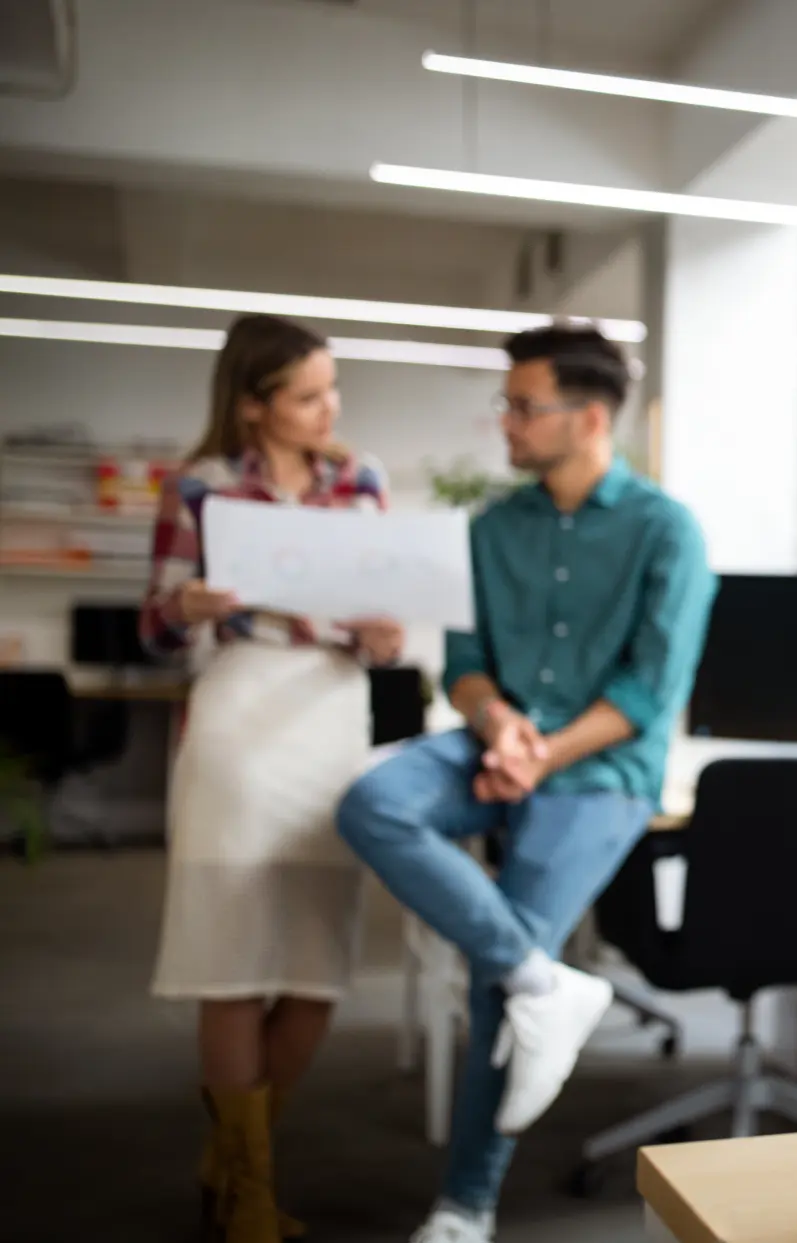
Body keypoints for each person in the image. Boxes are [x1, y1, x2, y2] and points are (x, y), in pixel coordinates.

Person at [336, 325, 715, 1244]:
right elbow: (463, 666)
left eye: (522, 404)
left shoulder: (665, 529)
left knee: (493, 978)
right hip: (493, 742)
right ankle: (543, 979)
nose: (504, 421)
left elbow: (647, 692)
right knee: (373, 802)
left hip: (601, 769)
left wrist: (541, 752)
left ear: (588, 419)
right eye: (506, 402)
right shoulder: (493, 528)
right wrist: (500, 724)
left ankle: (465, 1203)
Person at [143, 314, 405, 1244]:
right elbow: (155, 626)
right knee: (231, 961)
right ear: (253, 406)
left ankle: (228, 1161)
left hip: (331, 715)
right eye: (308, 393)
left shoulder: (360, 480)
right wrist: (187, 603)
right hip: (238, 717)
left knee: (313, 968)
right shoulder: (204, 488)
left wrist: (385, 634)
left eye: (332, 387)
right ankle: (249, 1192)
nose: (329, 407)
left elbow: (385, 618)